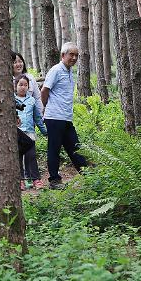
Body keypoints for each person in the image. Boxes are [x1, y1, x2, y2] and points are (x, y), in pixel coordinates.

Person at [40, 42, 88, 190]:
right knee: (54, 148)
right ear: (63, 55)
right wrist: (47, 108)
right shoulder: (56, 70)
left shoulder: (68, 72)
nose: (74, 58)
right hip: (54, 117)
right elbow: (44, 91)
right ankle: (54, 181)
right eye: (71, 54)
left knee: (75, 147)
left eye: (76, 55)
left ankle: (89, 176)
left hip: (66, 118)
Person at [15, 75, 47, 190]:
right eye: (20, 85)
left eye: (25, 85)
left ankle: (36, 179)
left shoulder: (32, 100)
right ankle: (20, 180)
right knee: (17, 157)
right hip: (17, 134)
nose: (23, 87)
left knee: (31, 156)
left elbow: (37, 117)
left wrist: (44, 131)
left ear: (28, 87)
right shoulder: (12, 100)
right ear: (15, 86)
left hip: (30, 133)